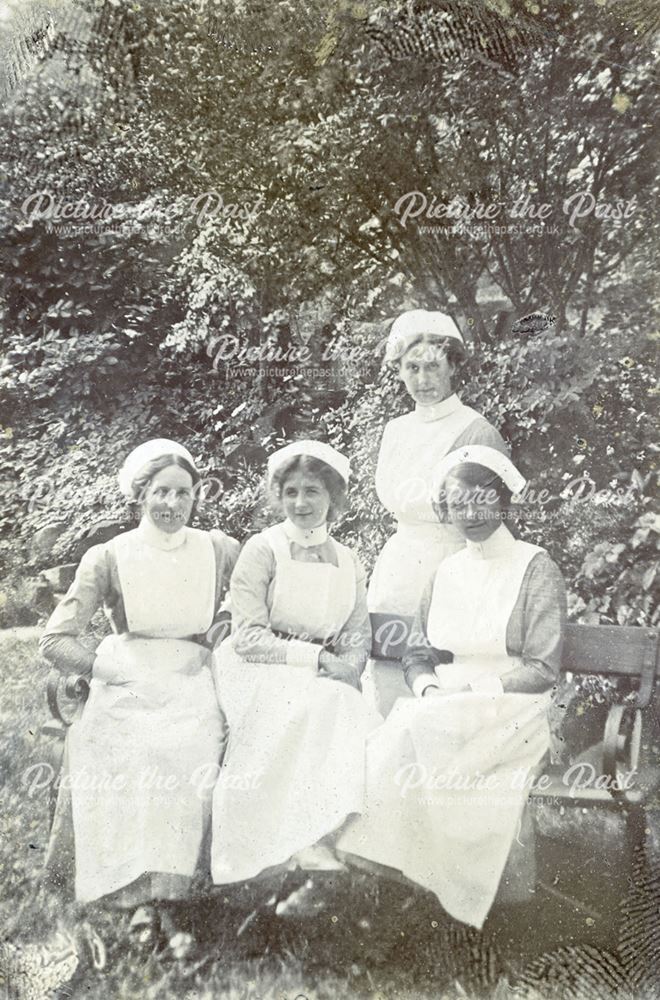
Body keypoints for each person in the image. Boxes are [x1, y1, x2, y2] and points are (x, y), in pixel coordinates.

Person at [338, 446, 567, 929]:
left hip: (514, 705)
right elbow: (419, 654)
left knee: (411, 736)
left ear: (502, 501)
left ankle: (437, 890)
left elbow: (542, 667)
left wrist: (474, 690)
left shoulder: (535, 567)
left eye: (482, 500)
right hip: (442, 703)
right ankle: (412, 885)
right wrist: (426, 690)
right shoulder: (444, 571)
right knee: (410, 726)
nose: (471, 514)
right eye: (459, 504)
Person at [39, 439, 239, 940]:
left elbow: (255, 603)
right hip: (126, 673)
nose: (171, 505)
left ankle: (170, 896)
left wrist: (229, 620)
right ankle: (135, 897)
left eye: (182, 494)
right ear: (139, 496)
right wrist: (109, 671)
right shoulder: (109, 556)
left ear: (196, 495)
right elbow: (54, 641)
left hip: (194, 672)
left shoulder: (219, 548)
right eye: (159, 493)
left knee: (185, 748)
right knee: (127, 750)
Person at [210, 440, 377, 892]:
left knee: (348, 709)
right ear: (279, 496)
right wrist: (319, 659)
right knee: (305, 707)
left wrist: (351, 666)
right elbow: (246, 637)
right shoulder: (263, 549)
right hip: (258, 664)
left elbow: (358, 630)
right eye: (291, 492)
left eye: (313, 492)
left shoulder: (348, 558)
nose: (301, 503)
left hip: (322, 670)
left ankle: (321, 840)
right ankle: (271, 856)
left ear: (334, 498)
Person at [365, 309, 509, 716]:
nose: (423, 380)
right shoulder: (396, 430)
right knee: (387, 674)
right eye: (412, 367)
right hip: (396, 568)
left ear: (452, 367)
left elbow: (488, 519)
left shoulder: (477, 431)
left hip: (451, 567)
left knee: (439, 677)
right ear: (398, 370)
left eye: (433, 366)